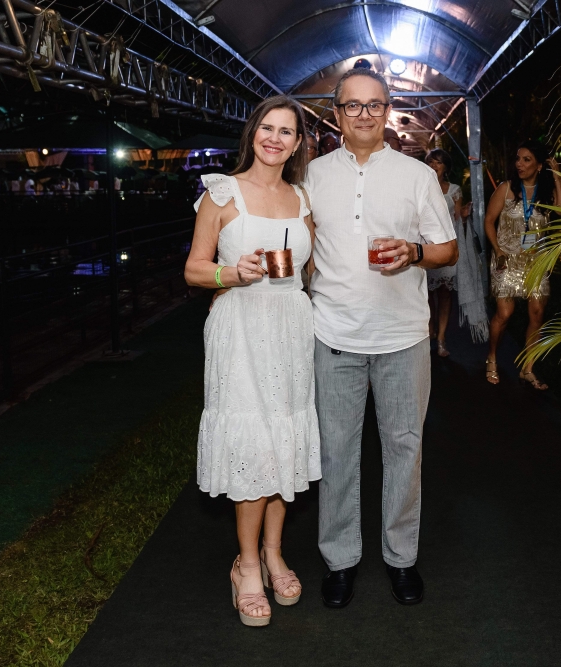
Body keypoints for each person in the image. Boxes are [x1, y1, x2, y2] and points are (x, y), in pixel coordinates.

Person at [306, 68, 458, 609]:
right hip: (334, 335)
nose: (364, 114)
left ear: (388, 110)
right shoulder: (313, 175)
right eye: (353, 105)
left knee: (404, 450)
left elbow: (447, 250)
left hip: (403, 338)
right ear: (337, 114)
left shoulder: (416, 175)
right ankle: (340, 560)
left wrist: (414, 252)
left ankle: (401, 558)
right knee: (336, 454)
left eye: (374, 104)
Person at [184, 95, 319, 628]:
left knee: (283, 439)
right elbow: (194, 269)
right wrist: (230, 275)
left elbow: (311, 271)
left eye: (286, 131)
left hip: (291, 327)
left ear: (298, 143)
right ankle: (245, 565)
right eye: (267, 127)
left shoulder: (303, 199)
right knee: (254, 444)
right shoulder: (221, 193)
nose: (275, 138)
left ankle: (273, 553)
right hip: (239, 326)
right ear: (252, 133)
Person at [484, 141, 561, 387]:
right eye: (518, 159)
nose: (519, 164)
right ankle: (492, 357)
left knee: (537, 313)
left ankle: (528, 368)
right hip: (506, 259)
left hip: (536, 262)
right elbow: (489, 221)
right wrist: (497, 249)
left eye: (526, 159)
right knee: (504, 313)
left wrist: (558, 176)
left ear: (540, 166)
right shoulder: (506, 188)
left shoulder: (546, 193)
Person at [423, 149, 461, 357]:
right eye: (431, 161)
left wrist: (465, 215)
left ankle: (442, 337)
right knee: (427, 291)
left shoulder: (454, 190)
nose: (434, 165)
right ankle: (430, 327)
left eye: (438, 162)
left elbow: (458, 220)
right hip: (427, 245)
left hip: (447, 246)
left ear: (445, 167)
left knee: (445, 292)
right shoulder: (421, 187)